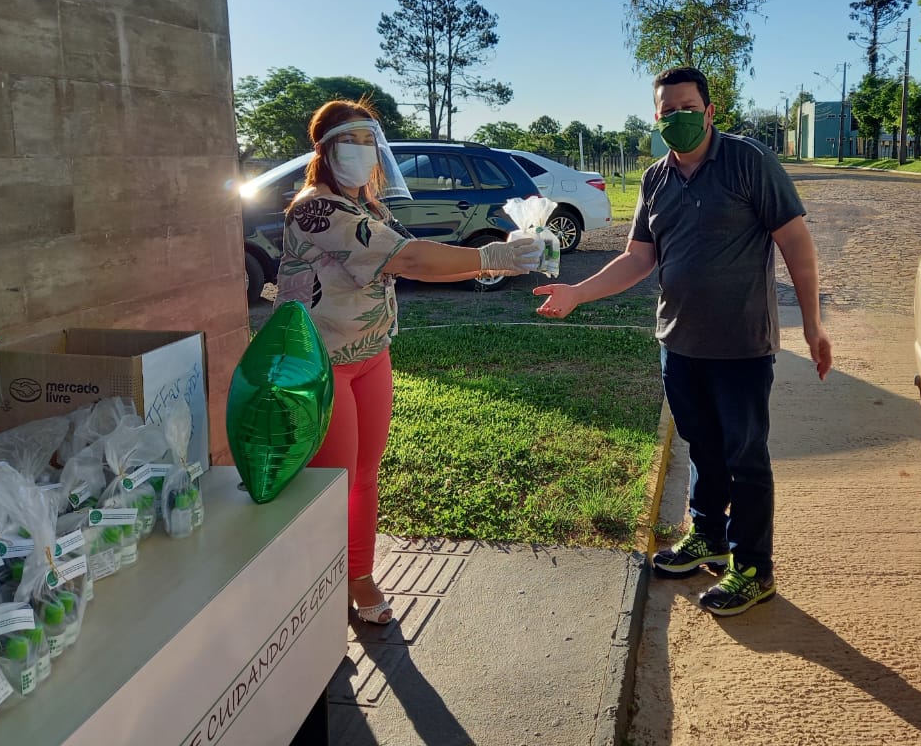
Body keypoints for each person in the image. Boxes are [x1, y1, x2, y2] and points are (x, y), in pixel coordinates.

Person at [534, 67, 832, 616]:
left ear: (710, 111)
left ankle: (754, 567)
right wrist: (577, 292)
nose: (678, 118)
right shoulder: (655, 179)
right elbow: (638, 258)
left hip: (742, 345)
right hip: (679, 341)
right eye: (667, 111)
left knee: (745, 457)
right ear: (656, 116)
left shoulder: (749, 161)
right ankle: (709, 536)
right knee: (702, 446)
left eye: (688, 108)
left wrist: (812, 323)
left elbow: (795, 241)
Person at [274, 99, 542, 624]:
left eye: (368, 141)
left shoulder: (369, 206)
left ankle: (358, 575)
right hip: (321, 363)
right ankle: (319, 588)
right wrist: (490, 256)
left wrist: (494, 265)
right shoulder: (315, 209)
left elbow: (411, 262)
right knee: (334, 483)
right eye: (349, 141)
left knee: (365, 475)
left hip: (370, 354)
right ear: (324, 150)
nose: (362, 151)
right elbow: (411, 258)